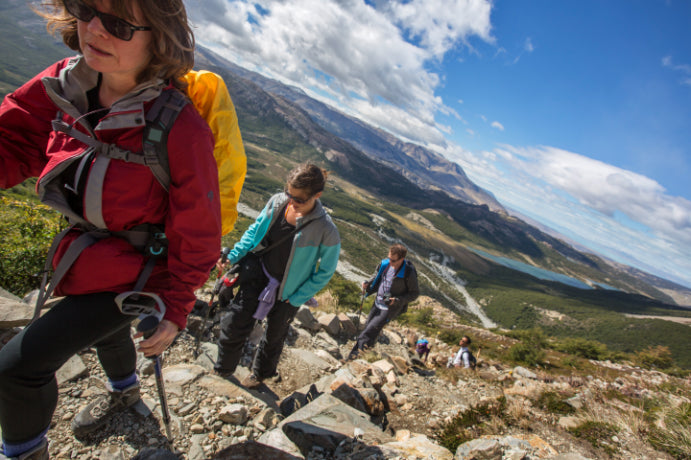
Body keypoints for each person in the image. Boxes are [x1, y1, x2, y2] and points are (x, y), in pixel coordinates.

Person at [0, 1, 222, 457]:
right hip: (89, 258)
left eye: (119, 24)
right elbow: (17, 139)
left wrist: (177, 305)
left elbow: (199, 228)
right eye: (86, 8)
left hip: (142, 275)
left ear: (158, 38)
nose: (95, 29)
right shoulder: (68, 81)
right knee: (110, 330)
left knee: (15, 370)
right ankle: (125, 390)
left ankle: (23, 452)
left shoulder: (180, 129)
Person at [214, 163, 341, 388]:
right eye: (289, 194)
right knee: (235, 322)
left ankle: (259, 375)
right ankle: (223, 370)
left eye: (299, 199)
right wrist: (232, 256)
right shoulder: (276, 202)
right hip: (258, 274)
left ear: (317, 195)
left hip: (290, 292)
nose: (292, 202)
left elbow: (326, 271)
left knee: (274, 336)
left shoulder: (326, 229)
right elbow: (254, 231)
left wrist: (297, 297)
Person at [348, 244, 419, 360]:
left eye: (393, 260)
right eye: (389, 258)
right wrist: (368, 282)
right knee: (369, 328)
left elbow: (414, 294)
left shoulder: (408, 273)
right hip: (377, 302)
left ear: (402, 259)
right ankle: (366, 353)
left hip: (389, 308)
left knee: (368, 332)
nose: (390, 261)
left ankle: (352, 357)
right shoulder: (385, 264)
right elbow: (377, 274)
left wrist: (397, 300)